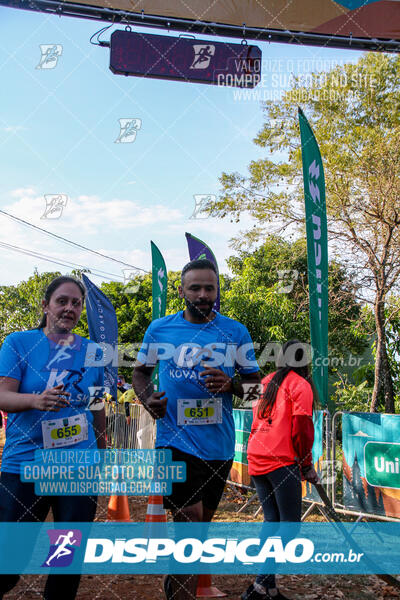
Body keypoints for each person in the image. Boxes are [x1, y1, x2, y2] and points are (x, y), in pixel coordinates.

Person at [132, 258, 260, 600]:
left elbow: (258, 389)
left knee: (198, 528)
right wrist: (148, 399)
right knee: (188, 518)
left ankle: (177, 586)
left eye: (210, 288)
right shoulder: (160, 329)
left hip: (218, 447)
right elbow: (140, 374)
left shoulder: (235, 332)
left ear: (217, 291)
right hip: (172, 441)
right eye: (195, 288)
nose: (203, 295)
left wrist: (231, 385)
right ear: (181, 291)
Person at [0, 275, 106, 600]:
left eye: (76, 303)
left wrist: (103, 451)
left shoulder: (93, 351)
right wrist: (35, 400)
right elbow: (3, 395)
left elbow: (97, 404)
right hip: (25, 467)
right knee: (8, 560)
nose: (69, 308)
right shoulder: (18, 343)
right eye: (62, 301)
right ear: (46, 305)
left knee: (65, 560)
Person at [242, 340, 319, 600]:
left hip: (257, 456)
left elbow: (255, 419)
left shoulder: (265, 381)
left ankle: (270, 589)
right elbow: (302, 429)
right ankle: (260, 584)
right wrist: (307, 465)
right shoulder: (301, 385)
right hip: (281, 461)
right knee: (290, 526)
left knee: (272, 521)